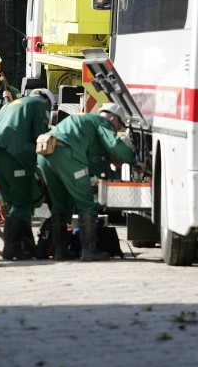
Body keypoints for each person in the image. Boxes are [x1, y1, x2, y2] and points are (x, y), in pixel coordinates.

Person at [36, 102, 136, 261]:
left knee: (60, 204)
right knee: (86, 202)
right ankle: (89, 251)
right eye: (118, 127)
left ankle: (61, 252)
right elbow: (114, 144)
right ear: (113, 118)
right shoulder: (102, 122)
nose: (117, 130)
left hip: (45, 153)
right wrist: (134, 162)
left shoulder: (84, 120)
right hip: (66, 155)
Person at [0, 88, 54, 260]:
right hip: (15, 155)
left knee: (14, 203)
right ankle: (11, 247)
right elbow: (41, 138)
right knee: (22, 202)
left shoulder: (12, 104)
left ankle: (26, 245)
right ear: (48, 101)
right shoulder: (40, 104)